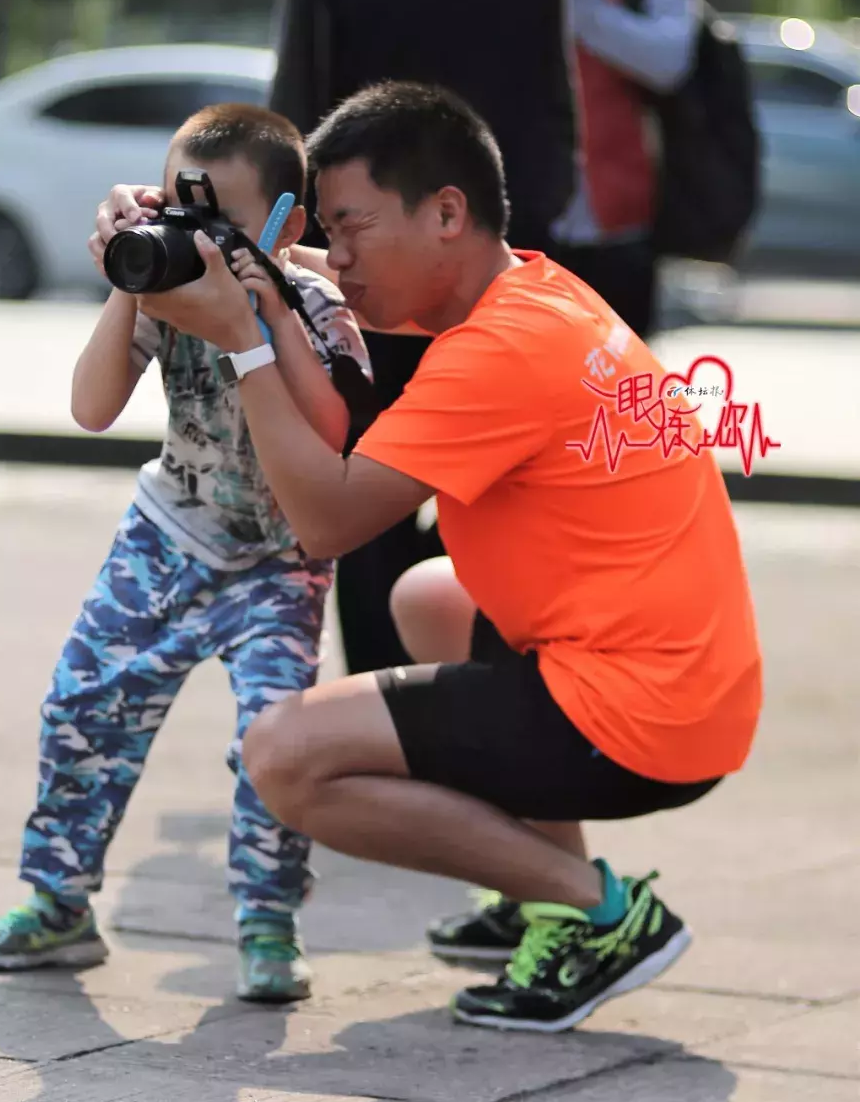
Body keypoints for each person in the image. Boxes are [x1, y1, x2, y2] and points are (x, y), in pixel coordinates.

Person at [125, 81, 762, 1032]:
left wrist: (246, 346)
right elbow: (351, 293)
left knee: (283, 758)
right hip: (689, 683)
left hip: (640, 721)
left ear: (447, 213)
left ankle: (598, 911)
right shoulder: (533, 292)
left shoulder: (495, 355)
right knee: (429, 596)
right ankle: (536, 888)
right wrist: (230, 249)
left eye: (350, 227)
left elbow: (326, 524)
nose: (335, 257)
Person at [0, 105, 371, 1003]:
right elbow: (92, 407)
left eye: (217, 221)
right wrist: (128, 276)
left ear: (284, 224)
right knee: (81, 706)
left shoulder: (321, 302)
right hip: (169, 531)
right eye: (180, 214)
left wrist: (258, 315)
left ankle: (267, 920)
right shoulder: (165, 284)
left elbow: (337, 429)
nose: (196, 240)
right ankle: (57, 903)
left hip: (281, 557)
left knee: (273, 737)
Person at [270, 0, 577, 677]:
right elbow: (298, 91)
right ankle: (379, 700)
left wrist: (548, 216)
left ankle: (497, 698)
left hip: (495, 263)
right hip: (375, 262)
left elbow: (548, 80)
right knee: (375, 481)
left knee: (507, 488)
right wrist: (294, 239)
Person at [534, 0, 704, 338]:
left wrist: (582, 6)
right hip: (522, 217)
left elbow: (667, 62)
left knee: (621, 395)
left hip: (623, 219)